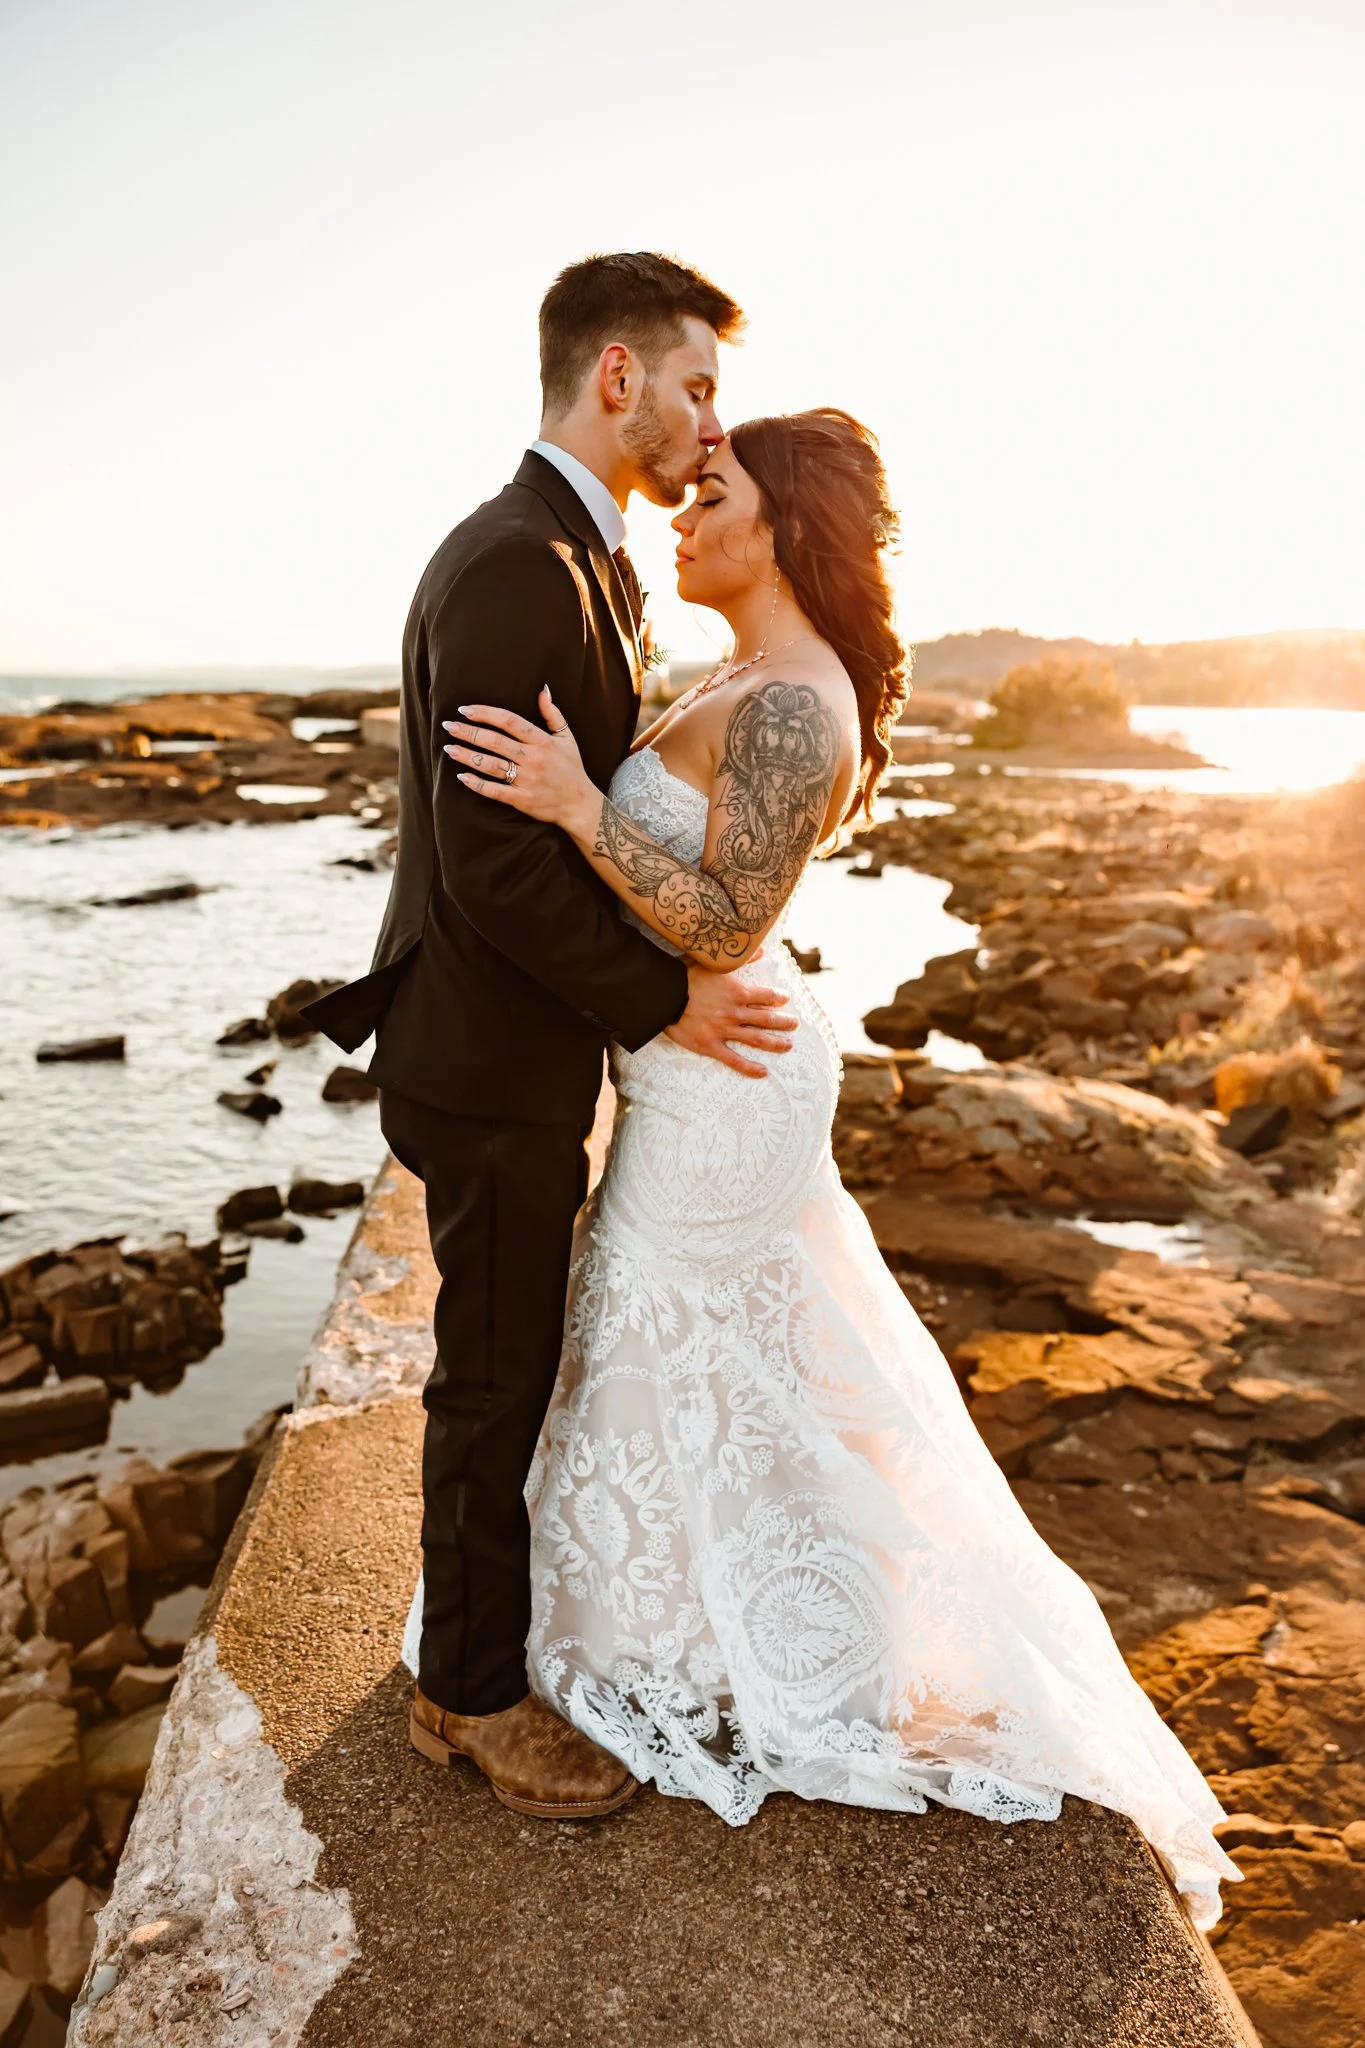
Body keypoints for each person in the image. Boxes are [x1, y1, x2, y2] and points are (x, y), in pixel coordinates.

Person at [436, 406, 1241, 1927]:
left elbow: (727, 924)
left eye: (713, 493)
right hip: (694, 1061)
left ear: (783, 527)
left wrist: (577, 804)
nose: (685, 510)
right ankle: (712, 1620)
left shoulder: (800, 701)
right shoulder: (744, 672)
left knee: (662, 1333)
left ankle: (747, 1646)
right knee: (706, 1350)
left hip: (726, 1072)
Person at [305, 253, 800, 1821]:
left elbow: (571, 826)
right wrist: (668, 1000)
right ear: (615, 376)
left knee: (513, 1364)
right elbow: (497, 861)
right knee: (494, 1377)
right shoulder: (519, 562)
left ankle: (476, 1659)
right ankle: (469, 1703)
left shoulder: (584, 560)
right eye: (697, 385)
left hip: (516, 1049)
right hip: (483, 1060)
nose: (708, 425)